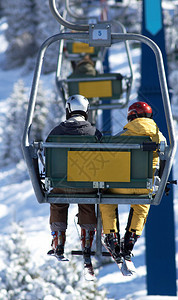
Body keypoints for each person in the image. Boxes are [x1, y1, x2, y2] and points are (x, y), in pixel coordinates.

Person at [100, 101, 166, 262]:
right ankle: (130, 240)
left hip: (120, 187)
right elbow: (165, 159)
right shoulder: (159, 136)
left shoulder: (123, 137)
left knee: (106, 199)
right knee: (141, 205)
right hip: (144, 186)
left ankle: (112, 237)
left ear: (132, 117)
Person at [47, 94, 102, 275]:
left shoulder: (55, 133)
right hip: (87, 185)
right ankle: (87, 243)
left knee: (58, 203)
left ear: (68, 110)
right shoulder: (94, 133)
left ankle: (59, 242)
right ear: (86, 111)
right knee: (87, 203)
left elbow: (48, 158)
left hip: (61, 184)